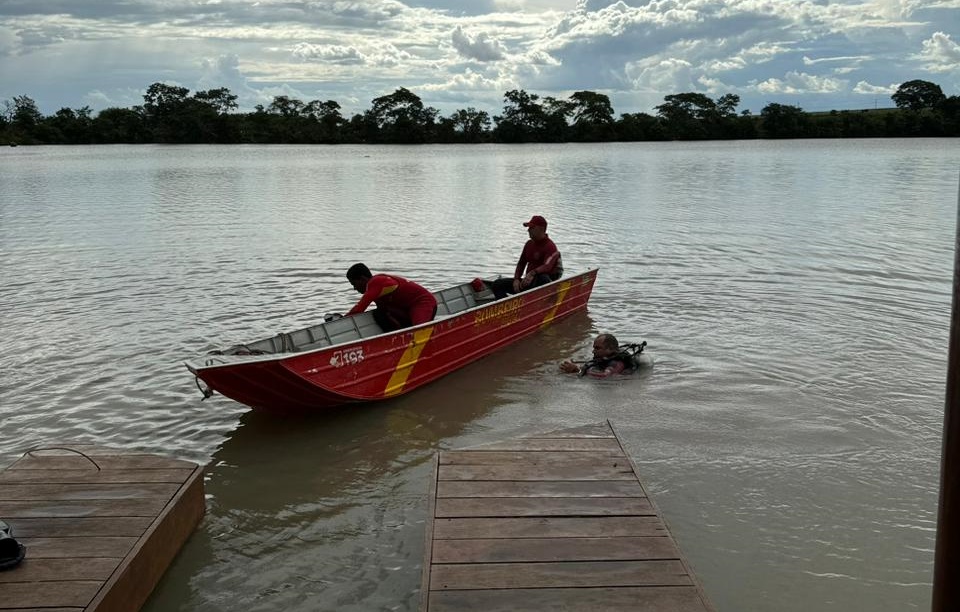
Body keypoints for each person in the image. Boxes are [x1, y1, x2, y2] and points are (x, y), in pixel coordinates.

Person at [345, 263, 438, 332]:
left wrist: (342, 320)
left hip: (422, 303)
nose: (354, 288)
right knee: (379, 313)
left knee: (419, 331)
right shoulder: (374, 289)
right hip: (406, 308)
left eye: (354, 284)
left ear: (362, 279)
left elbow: (359, 308)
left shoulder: (376, 282)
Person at [487, 215, 563, 299]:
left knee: (543, 278)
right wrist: (516, 279)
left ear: (541, 229)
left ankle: (537, 303)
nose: (528, 230)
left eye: (531, 228)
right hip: (527, 283)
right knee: (497, 284)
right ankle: (508, 306)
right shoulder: (529, 244)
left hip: (539, 284)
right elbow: (521, 263)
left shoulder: (550, 246)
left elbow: (547, 266)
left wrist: (532, 273)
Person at [559, 333, 645, 378]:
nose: (593, 351)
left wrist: (577, 370)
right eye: (594, 348)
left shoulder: (616, 363)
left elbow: (604, 376)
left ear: (610, 349)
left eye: (597, 348)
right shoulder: (605, 358)